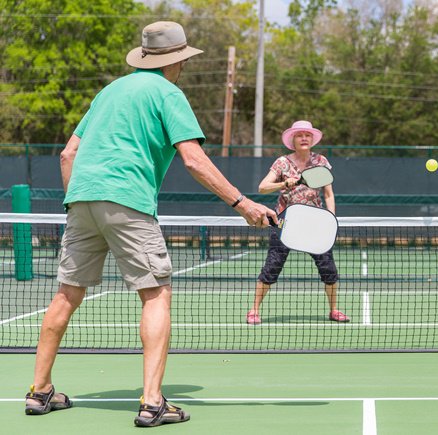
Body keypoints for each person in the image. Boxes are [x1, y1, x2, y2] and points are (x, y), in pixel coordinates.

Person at [23, 21, 277, 427]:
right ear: (177, 61)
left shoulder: (109, 91)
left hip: (80, 200)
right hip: (128, 200)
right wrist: (241, 202)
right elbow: (192, 159)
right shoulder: (168, 93)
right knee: (155, 294)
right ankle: (153, 401)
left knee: (67, 295)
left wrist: (76, 203)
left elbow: (67, 155)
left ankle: (39, 391)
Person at [246, 120, 350, 324]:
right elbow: (262, 187)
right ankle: (254, 310)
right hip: (285, 221)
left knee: (328, 268)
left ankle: (334, 310)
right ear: (292, 140)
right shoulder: (282, 163)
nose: (304, 138)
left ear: (312, 139)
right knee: (272, 266)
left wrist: (331, 219)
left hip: (315, 222)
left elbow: (328, 194)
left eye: (307, 135)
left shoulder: (321, 161)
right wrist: (285, 183)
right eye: (299, 135)